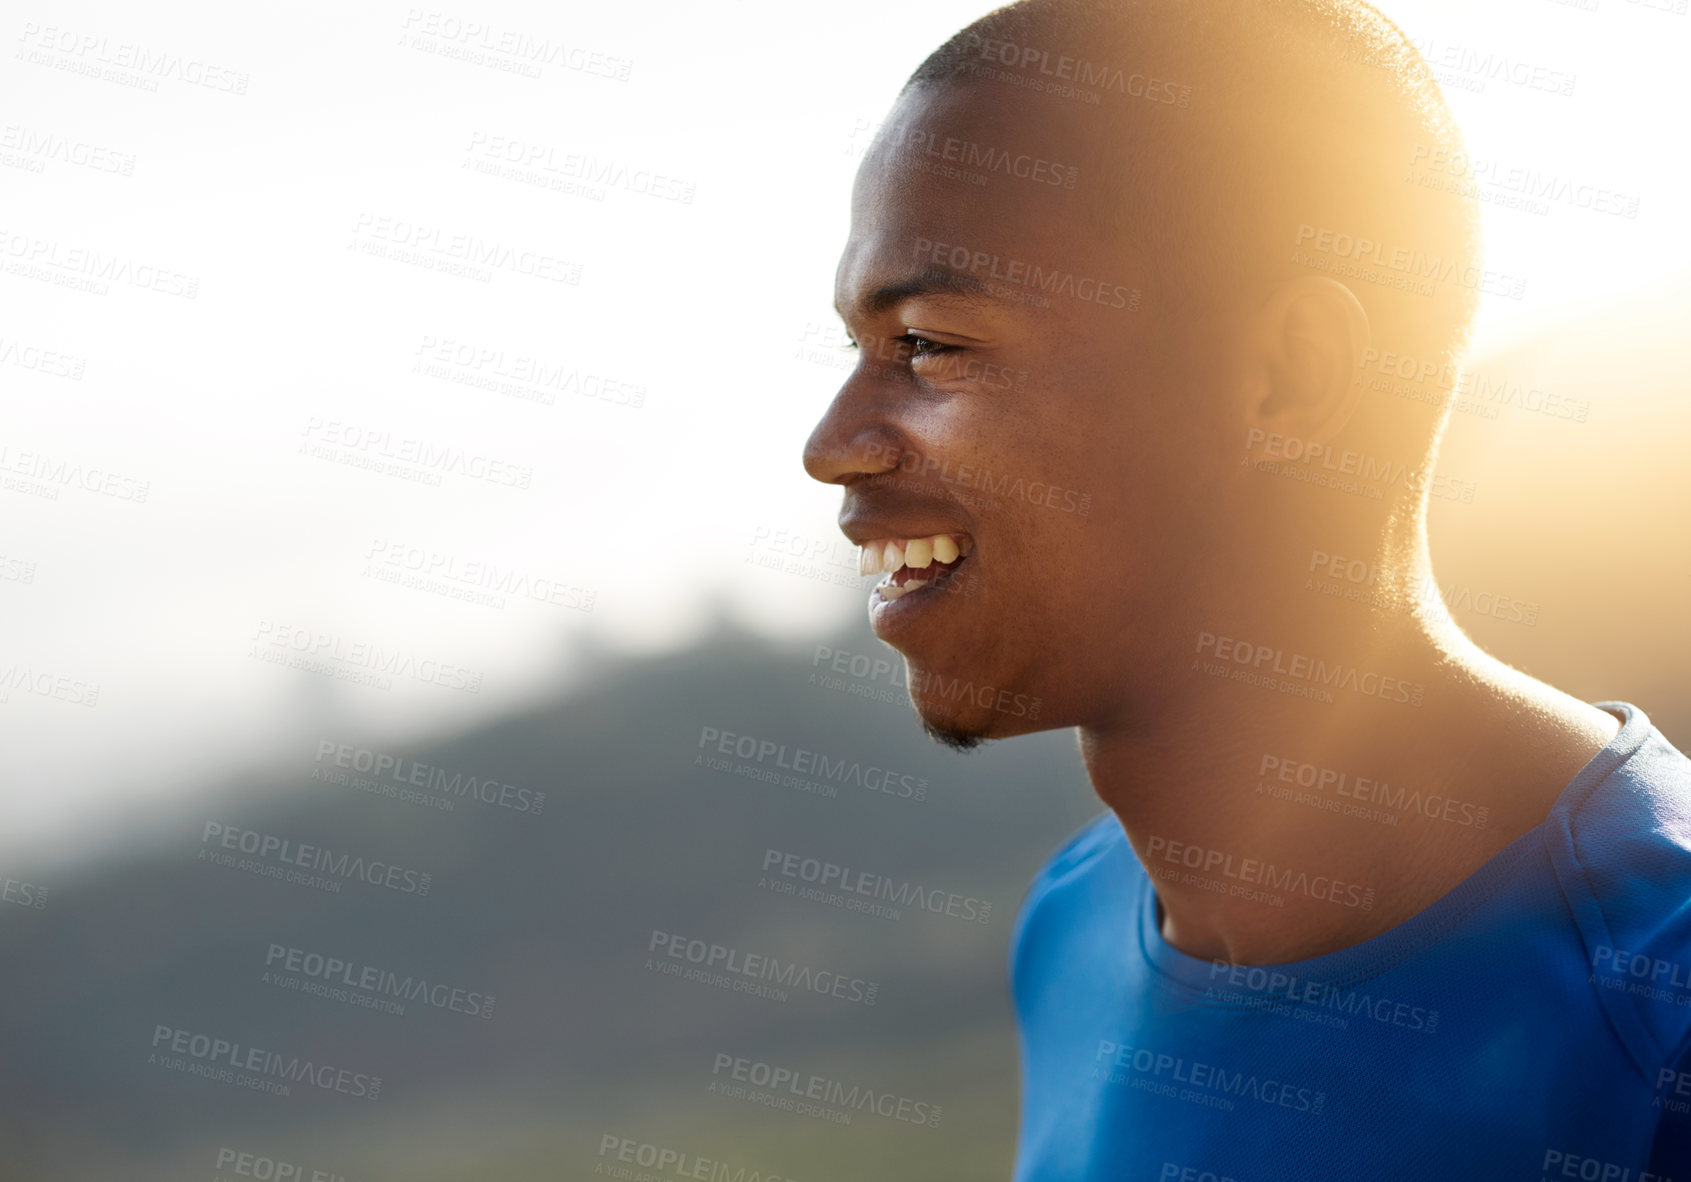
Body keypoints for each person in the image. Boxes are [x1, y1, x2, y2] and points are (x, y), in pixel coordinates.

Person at [799, 0, 1691, 1175]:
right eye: (858, 351)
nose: (831, 443)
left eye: (927, 343)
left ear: (1287, 376)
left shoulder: (1659, 995)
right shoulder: (1071, 926)